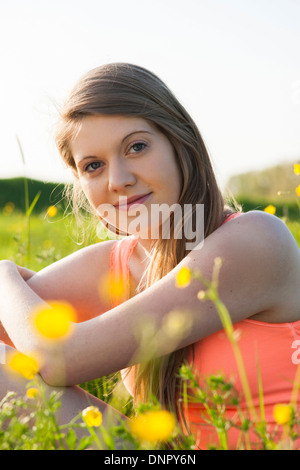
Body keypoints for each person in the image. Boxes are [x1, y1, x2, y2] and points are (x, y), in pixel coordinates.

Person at [0, 62, 300, 450]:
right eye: (94, 166)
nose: (118, 179)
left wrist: (5, 276)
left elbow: (61, 358)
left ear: (180, 141)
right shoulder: (116, 264)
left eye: (137, 147)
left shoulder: (255, 241)